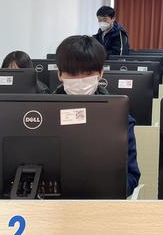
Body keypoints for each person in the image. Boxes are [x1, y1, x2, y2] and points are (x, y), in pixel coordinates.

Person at [51, 35, 140, 195]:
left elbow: (132, 176)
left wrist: (107, 192)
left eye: (87, 74)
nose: (79, 80)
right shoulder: (45, 115)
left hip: (102, 201)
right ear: (59, 74)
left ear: (101, 73)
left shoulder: (119, 117)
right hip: (51, 203)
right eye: (72, 74)